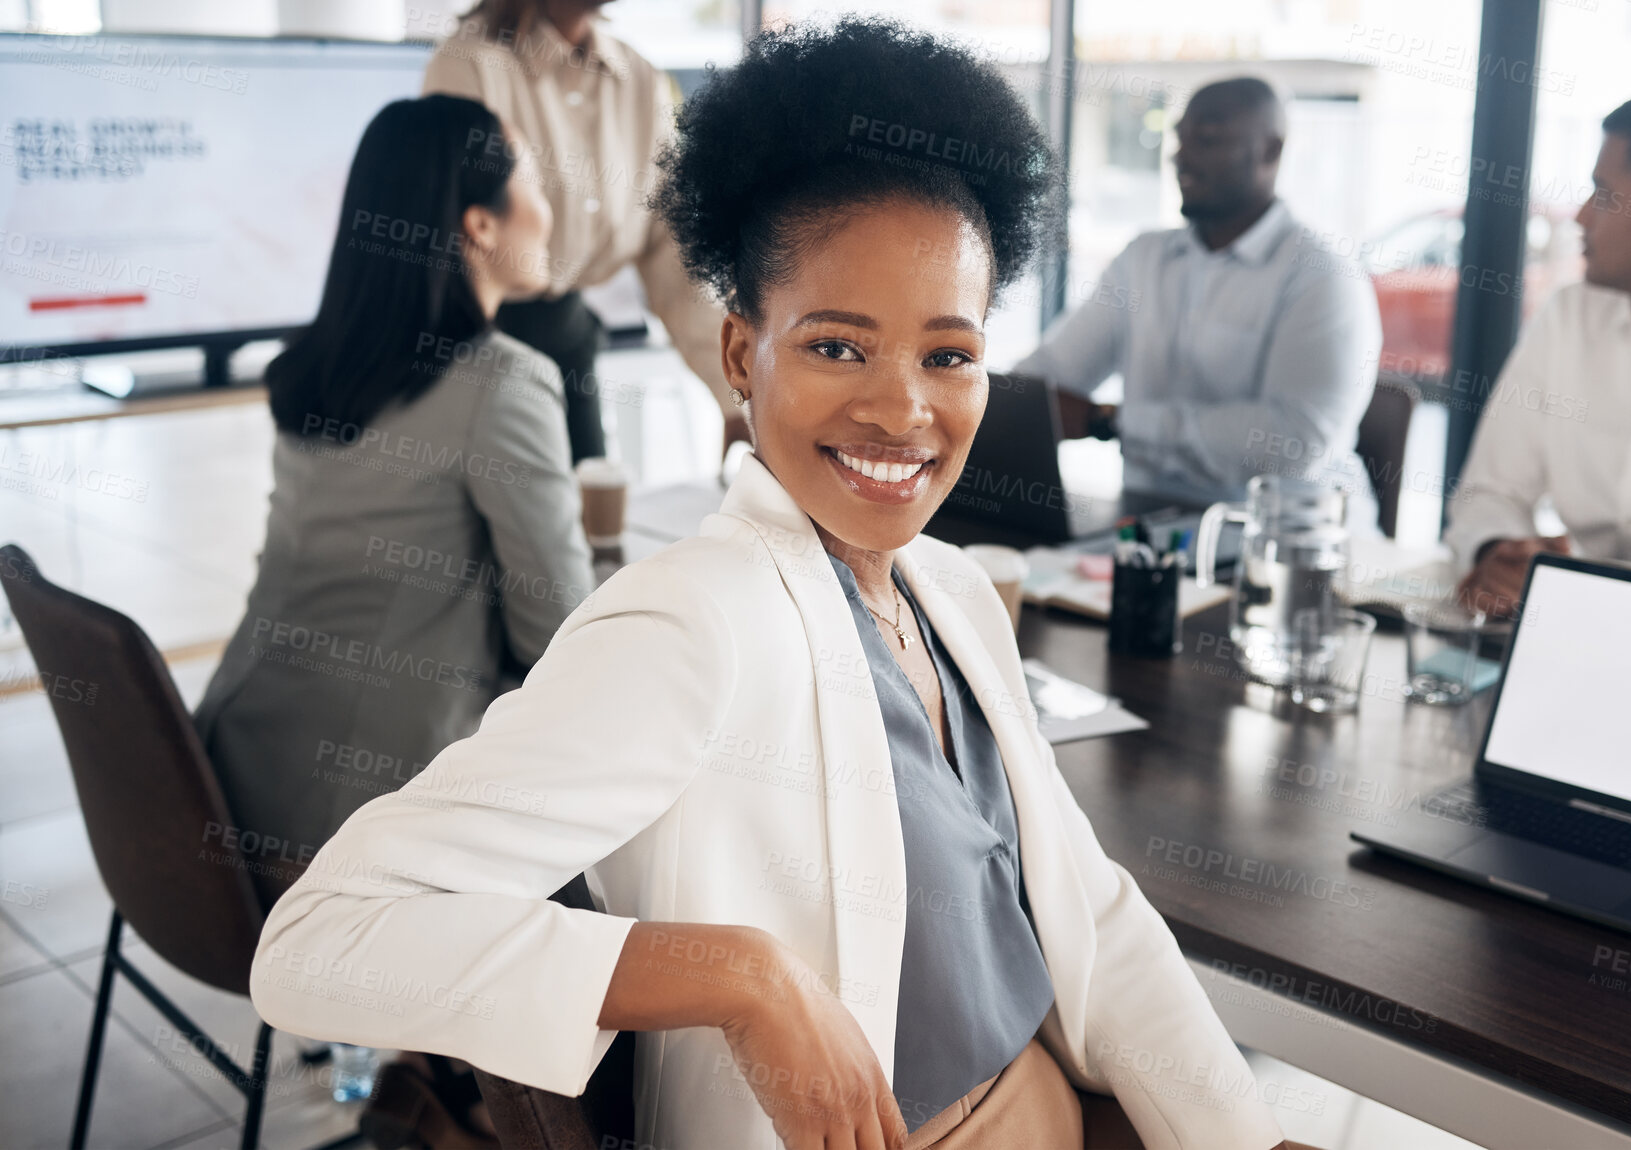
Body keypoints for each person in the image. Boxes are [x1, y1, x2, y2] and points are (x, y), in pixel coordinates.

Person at [248, 21, 1308, 1150]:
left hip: (1059, 1099)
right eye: (839, 348)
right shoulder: (691, 624)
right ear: (742, 356)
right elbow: (320, 937)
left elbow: (1092, 905)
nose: (904, 410)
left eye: (948, 355)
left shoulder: (948, 591)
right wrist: (739, 976)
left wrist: (1243, 1135)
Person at [195, 94, 592, 911]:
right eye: (534, 186)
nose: (551, 215)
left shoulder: (313, 365)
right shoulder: (503, 385)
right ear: (479, 225)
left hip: (219, 790)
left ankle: (416, 1044)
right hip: (354, 845)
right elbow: (557, 638)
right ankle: (437, 1038)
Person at [1014, 76, 1382, 510]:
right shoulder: (1144, 257)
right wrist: (991, 395)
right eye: (1179, 139)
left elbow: (1290, 445)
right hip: (1147, 526)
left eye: (1206, 140)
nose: (1180, 157)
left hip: (1281, 546)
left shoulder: (1323, 276)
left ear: (1270, 150)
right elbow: (1054, 371)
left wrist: (1113, 421)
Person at [1449, 86, 1631, 615]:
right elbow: (1488, 492)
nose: (1581, 217)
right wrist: (1500, 556)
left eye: (1602, 194)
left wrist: (1576, 586)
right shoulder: (1570, 318)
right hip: (1563, 631)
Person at [423, 0, 749, 463]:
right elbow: (447, 238)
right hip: (476, 345)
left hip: (568, 340)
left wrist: (736, 398)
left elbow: (674, 259)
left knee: (586, 514)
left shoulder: (639, 78)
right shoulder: (468, 66)